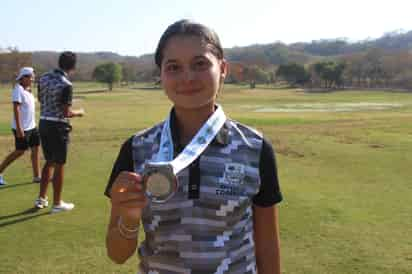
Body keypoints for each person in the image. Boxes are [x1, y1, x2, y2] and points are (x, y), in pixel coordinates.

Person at [105, 20, 283, 274]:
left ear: (222, 68)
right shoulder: (136, 150)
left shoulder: (254, 148)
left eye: (200, 64)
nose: (187, 77)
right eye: (174, 67)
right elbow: (117, 254)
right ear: (161, 75)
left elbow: (267, 246)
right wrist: (130, 219)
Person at [35, 51, 84, 212]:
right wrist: (79, 113)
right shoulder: (66, 84)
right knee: (59, 164)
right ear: (73, 66)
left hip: (43, 123)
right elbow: (66, 112)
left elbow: (41, 99)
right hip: (58, 127)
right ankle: (57, 203)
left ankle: (41, 199)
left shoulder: (43, 78)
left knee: (49, 161)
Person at [0, 67, 41, 186]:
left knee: (36, 149)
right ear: (23, 77)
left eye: (33, 77)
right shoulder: (18, 89)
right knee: (20, 151)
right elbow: (16, 108)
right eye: (30, 77)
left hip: (32, 127)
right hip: (21, 128)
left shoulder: (28, 90)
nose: (32, 79)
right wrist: (19, 128)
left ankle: (37, 176)